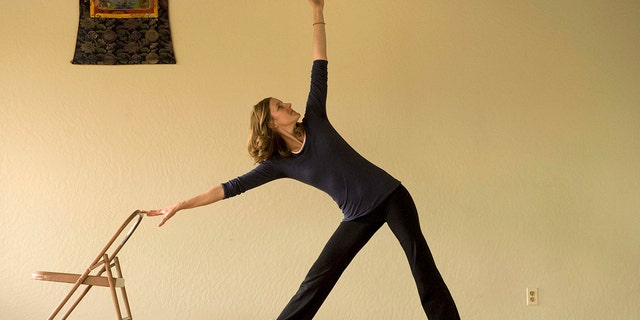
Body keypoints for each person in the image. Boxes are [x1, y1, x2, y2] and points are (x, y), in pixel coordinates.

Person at [146, 0, 460, 319]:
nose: (288, 104)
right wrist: (180, 205)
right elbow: (229, 188)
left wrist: (317, 11)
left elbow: (319, 63)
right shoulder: (279, 163)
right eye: (280, 106)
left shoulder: (316, 119)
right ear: (271, 124)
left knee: (421, 265)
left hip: (392, 196)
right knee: (317, 280)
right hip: (357, 215)